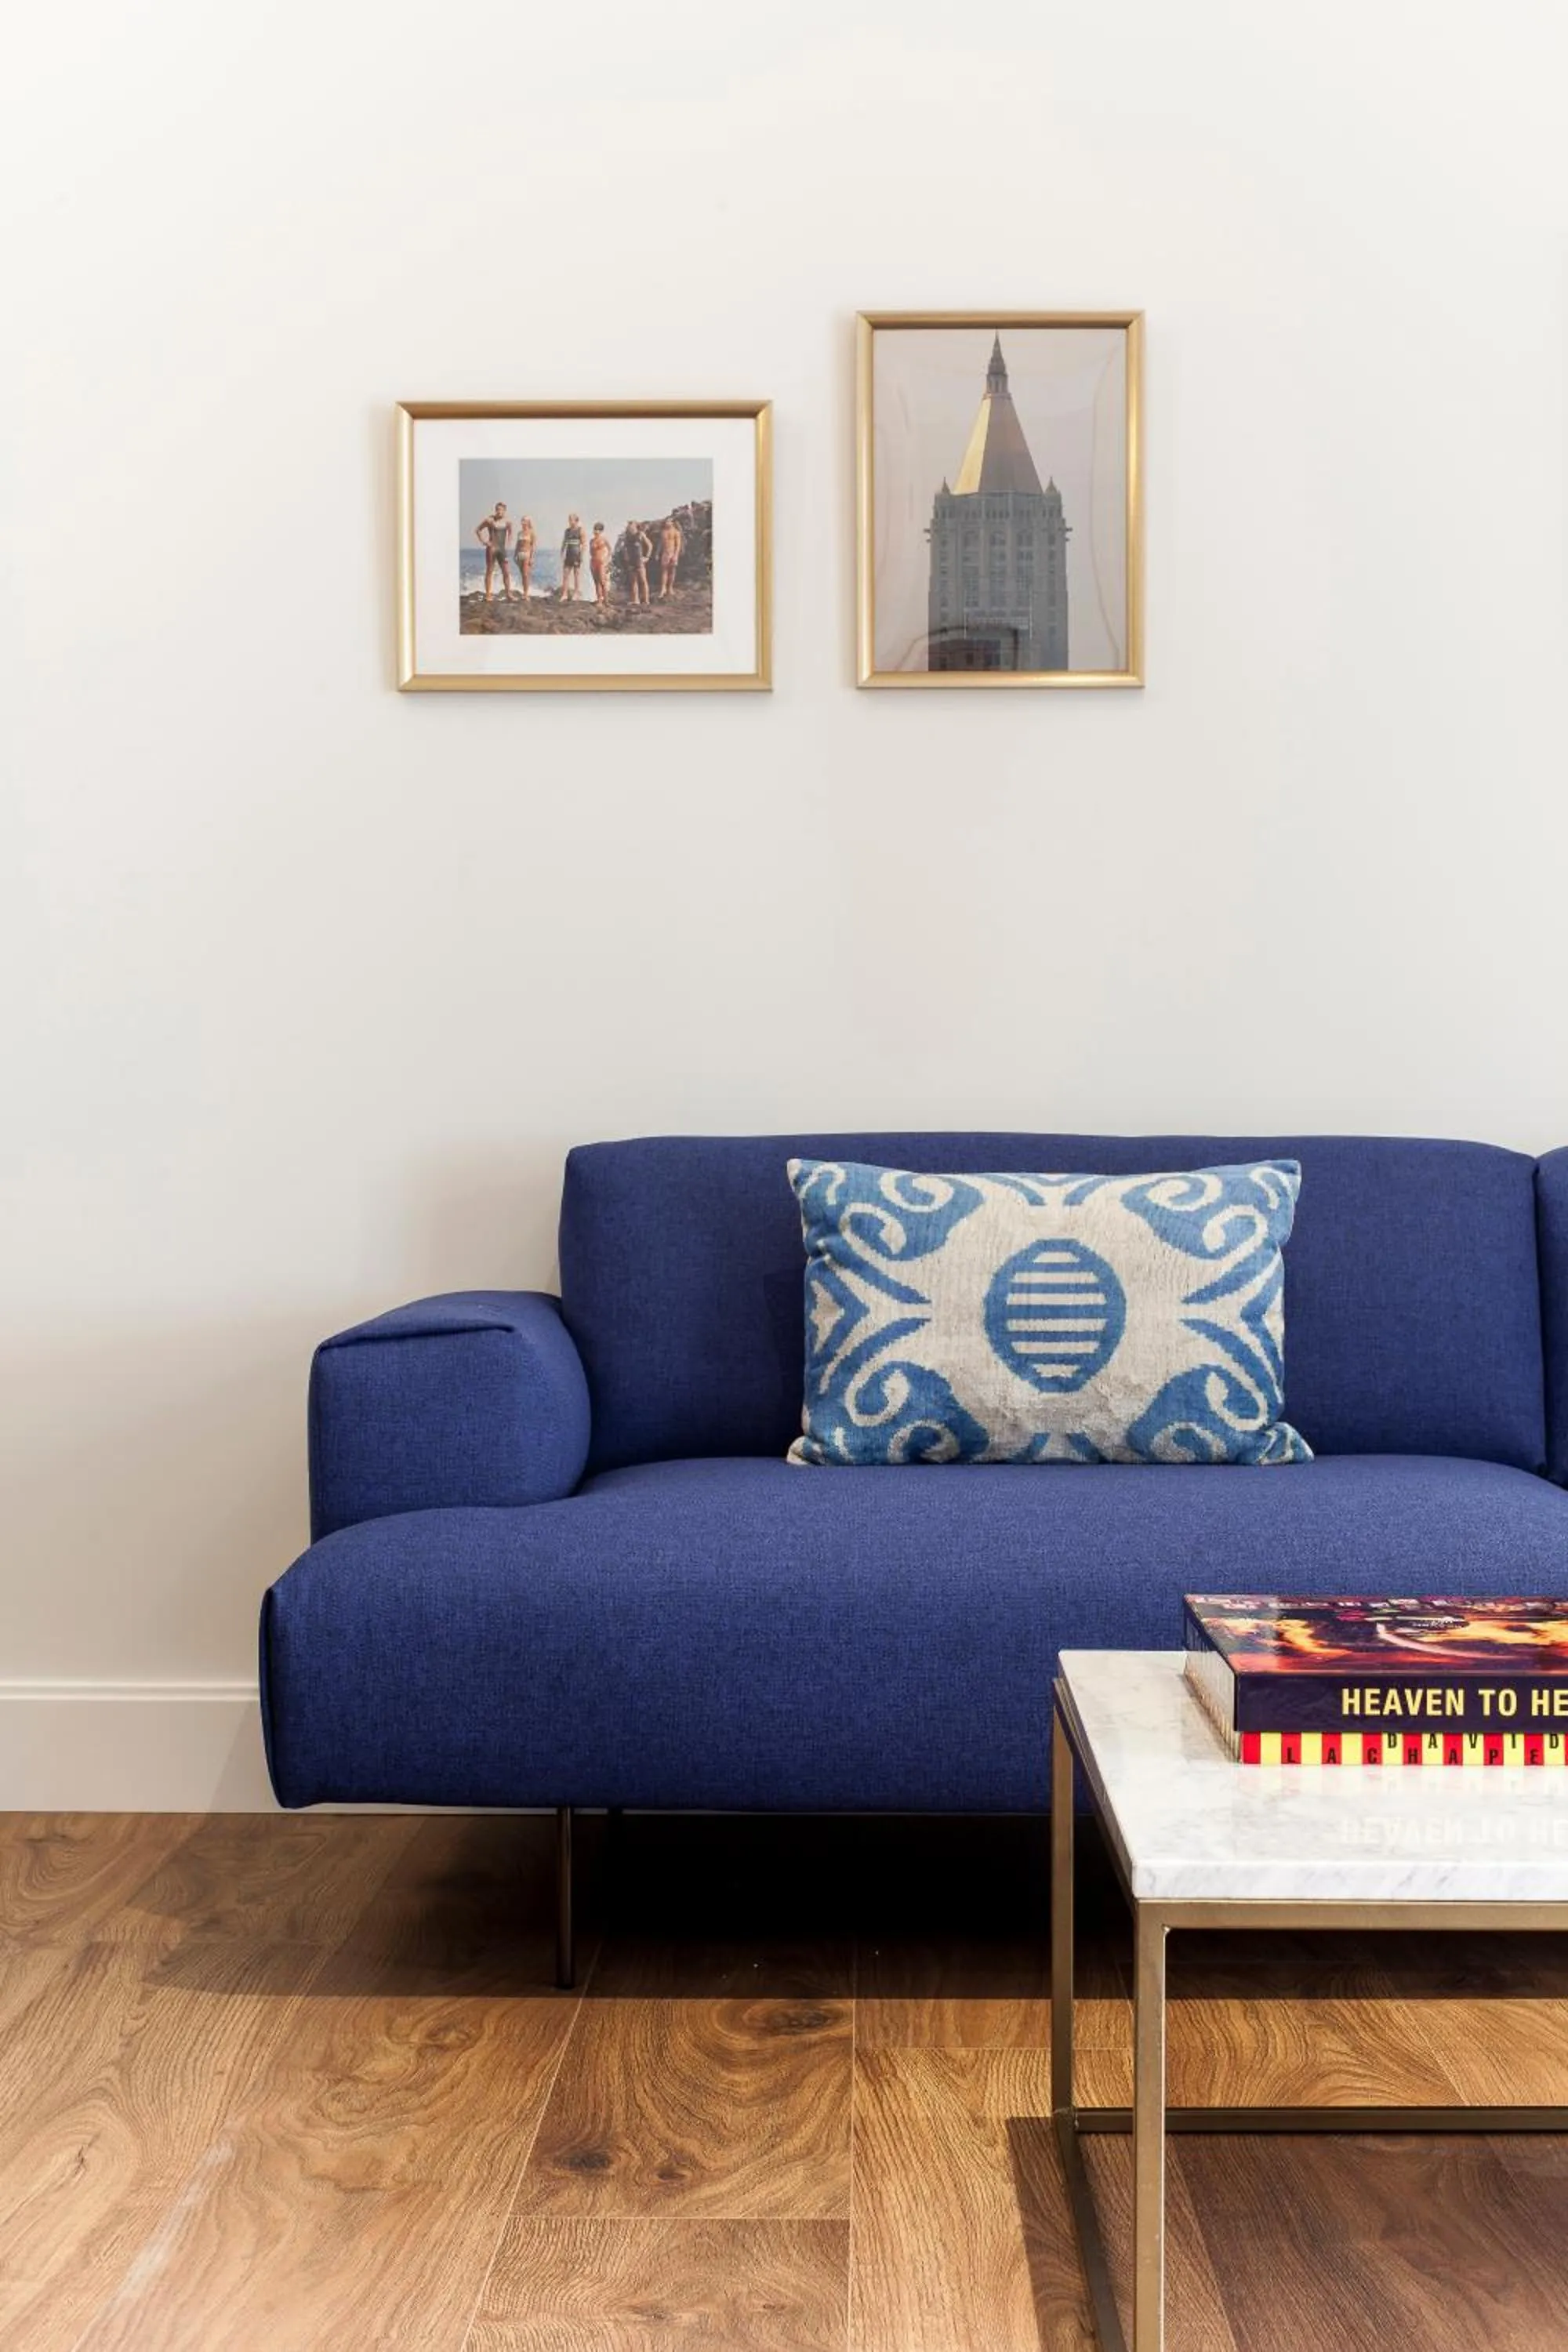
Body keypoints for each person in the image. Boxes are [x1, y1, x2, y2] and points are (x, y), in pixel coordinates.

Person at [474, 502, 514, 602]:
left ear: (505, 511)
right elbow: (478, 530)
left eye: (501, 510)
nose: (499, 511)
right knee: (489, 571)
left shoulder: (508, 522)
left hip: (502, 549)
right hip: (492, 549)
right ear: (495, 510)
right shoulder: (489, 520)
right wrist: (484, 542)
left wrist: (508, 545)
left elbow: (510, 534)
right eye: (497, 509)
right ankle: (488, 594)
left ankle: (509, 594)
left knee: (506, 572)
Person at [621, 517, 652, 607]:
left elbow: (650, 545)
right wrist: (626, 556)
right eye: (629, 526)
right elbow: (624, 548)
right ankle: (635, 600)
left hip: (639, 561)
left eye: (631, 526)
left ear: (636, 527)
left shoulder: (640, 534)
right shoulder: (627, 537)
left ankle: (646, 600)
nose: (630, 528)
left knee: (643, 580)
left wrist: (647, 557)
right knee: (633, 581)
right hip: (631, 561)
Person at [656, 512, 684, 600]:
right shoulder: (663, 532)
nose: (667, 523)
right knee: (664, 571)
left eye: (669, 521)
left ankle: (670, 588)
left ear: (672, 523)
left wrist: (675, 555)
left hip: (673, 552)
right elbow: (660, 544)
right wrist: (657, 553)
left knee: (672, 571)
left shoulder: (676, 532)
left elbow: (678, 545)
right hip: (665, 553)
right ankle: (663, 589)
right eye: (666, 522)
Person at [560, 513, 585, 601]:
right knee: (565, 574)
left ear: (576, 521)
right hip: (569, 553)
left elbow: (584, 544)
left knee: (576, 575)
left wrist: (581, 555)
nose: (570, 521)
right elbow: (564, 542)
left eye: (571, 520)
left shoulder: (580, 530)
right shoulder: (567, 531)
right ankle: (565, 594)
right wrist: (562, 552)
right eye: (569, 520)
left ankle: (576, 593)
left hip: (576, 554)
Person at [588, 521, 612, 606]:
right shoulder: (592, 541)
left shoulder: (604, 539)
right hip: (594, 562)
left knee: (602, 581)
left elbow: (610, 550)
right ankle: (599, 600)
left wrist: (607, 560)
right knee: (596, 582)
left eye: (598, 530)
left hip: (602, 562)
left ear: (601, 531)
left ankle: (607, 601)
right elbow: (591, 552)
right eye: (595, 529)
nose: (596, 531)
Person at [514, 514, 535, 600]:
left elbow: (533, 546)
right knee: (522, 575)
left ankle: (526, 594)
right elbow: (517, 544)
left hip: (527, 554)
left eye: (525, 521)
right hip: (520, 554)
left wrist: (532, 557)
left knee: (526, 574)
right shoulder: (519, 533)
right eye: (522, 520)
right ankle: (524, 592)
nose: (523, 522)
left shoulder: (531, 533)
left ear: (528, 522)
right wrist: (515, 555)